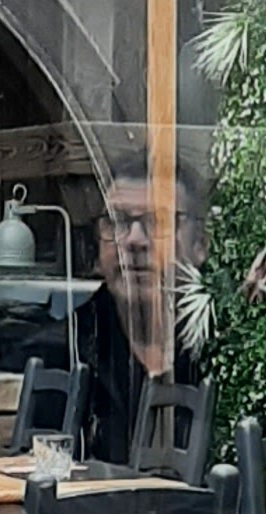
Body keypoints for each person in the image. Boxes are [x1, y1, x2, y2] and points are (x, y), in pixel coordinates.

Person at [70, 175, 201, 467]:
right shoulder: (70, 344)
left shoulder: (224, 352)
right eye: (116, 221)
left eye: (158, 221)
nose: (133, 240)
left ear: (200, 244)